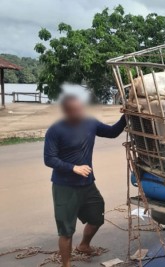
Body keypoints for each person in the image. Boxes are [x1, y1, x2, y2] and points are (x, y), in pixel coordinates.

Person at [44, 95, 126, 267]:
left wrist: (126, 116)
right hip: (64, 187)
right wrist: (73, 168)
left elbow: (112, 132)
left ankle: (83, 245)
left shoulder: (90, 123)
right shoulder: (55, 130)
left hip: (87, 184)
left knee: (97, 216)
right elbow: (49, 159)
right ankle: (66, 264)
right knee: (66, 230)